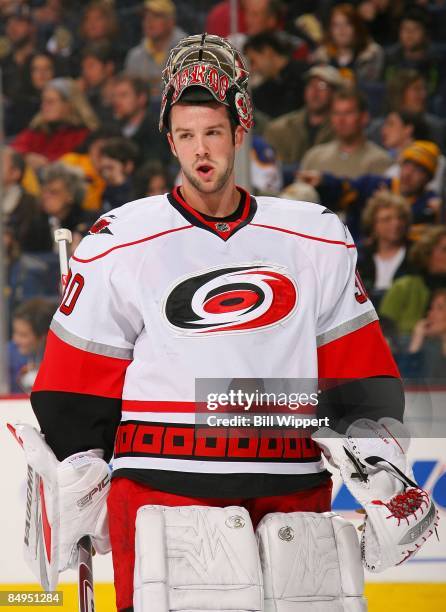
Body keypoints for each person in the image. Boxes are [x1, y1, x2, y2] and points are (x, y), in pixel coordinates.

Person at [29, 34, 427, 612]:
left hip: (290, 491)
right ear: (169, 140)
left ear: (240, 133)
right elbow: (74, 383)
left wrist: (378, 458)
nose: (201, 152)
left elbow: (359, 374)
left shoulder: (314, 236)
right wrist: (77, 466)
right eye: (186, 136)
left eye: (213, 133)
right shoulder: (120, 238)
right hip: (160, 492)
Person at [298, 140, 441, 239]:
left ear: (428, 178)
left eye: (418, 170)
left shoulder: (430, 206)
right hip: (355, 258)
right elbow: (344, 190)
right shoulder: (373, 184)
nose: (409, 174)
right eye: (407, 165)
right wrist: (323, 181)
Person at [300, 88, 392, 178]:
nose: (341, 120)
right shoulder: (314, 157)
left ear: (364, 117)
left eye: (348, 113)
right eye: (336, 113)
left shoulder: (379, 161)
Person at [11, 78, 99, 171]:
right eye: (43, 101)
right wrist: (25, 157)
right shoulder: (37, 130)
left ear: (68, 105)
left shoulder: (84, 135)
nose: (43, 106)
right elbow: (12, 151)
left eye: (50, 102)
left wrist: (47, 163)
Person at [263, 65, 343, 166]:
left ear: (335, 93)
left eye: (322, 86)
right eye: (311, 85)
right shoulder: (279, 129)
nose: (315, 91)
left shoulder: (342, 128)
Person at [379, 225, 446, 339]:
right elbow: (384, 332)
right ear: (427, 252)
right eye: (444, 250)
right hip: (402, 353)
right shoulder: (403, 287)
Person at [358, 191, 413, 306]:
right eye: (387, 219)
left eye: (400, 218)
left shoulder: (416, 255)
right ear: (374, 224)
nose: (396, 224)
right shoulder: (360, 258)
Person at [124, 0, 186, 101]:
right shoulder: (134, 57)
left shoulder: (187, 52)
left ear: (171, 21)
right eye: (145, 17)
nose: (149, 21)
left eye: (156, 16)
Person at [311, 2, 384, 83]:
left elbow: (372, 87)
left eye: (348, 24)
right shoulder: (321, 55)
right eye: (336, 25)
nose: (342, 30)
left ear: (356, 27)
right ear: (330, 30)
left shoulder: (372, 54)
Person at [110, 74, 171, 165]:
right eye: (115, 96)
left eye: (123, 95)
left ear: (141, 98)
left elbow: (156, 164)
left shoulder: (157, 130)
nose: (116, 101)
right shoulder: (113, 129)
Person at [243, 31, 306, 118]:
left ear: (267, 52)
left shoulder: (305, 75)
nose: (252, 69)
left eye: (253, 61)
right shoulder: (261, 92)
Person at [8, 298, 55, 394]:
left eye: (23, 335)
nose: (15, 340)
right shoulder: (7, 355)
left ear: (43, 337)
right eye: (15, 332)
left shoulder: (58, 362)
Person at [399, 288, 446, 379]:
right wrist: (415, 345)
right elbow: (403, 383)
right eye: (431, 308)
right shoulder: (421, 344)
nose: (431, 314)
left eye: (440, 308)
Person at [98, 137, 139, 212]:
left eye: (110, 168)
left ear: (128, 166)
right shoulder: (102, 188)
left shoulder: (138, 191)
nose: (105, 173)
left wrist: (118, 183)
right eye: (104, 168)